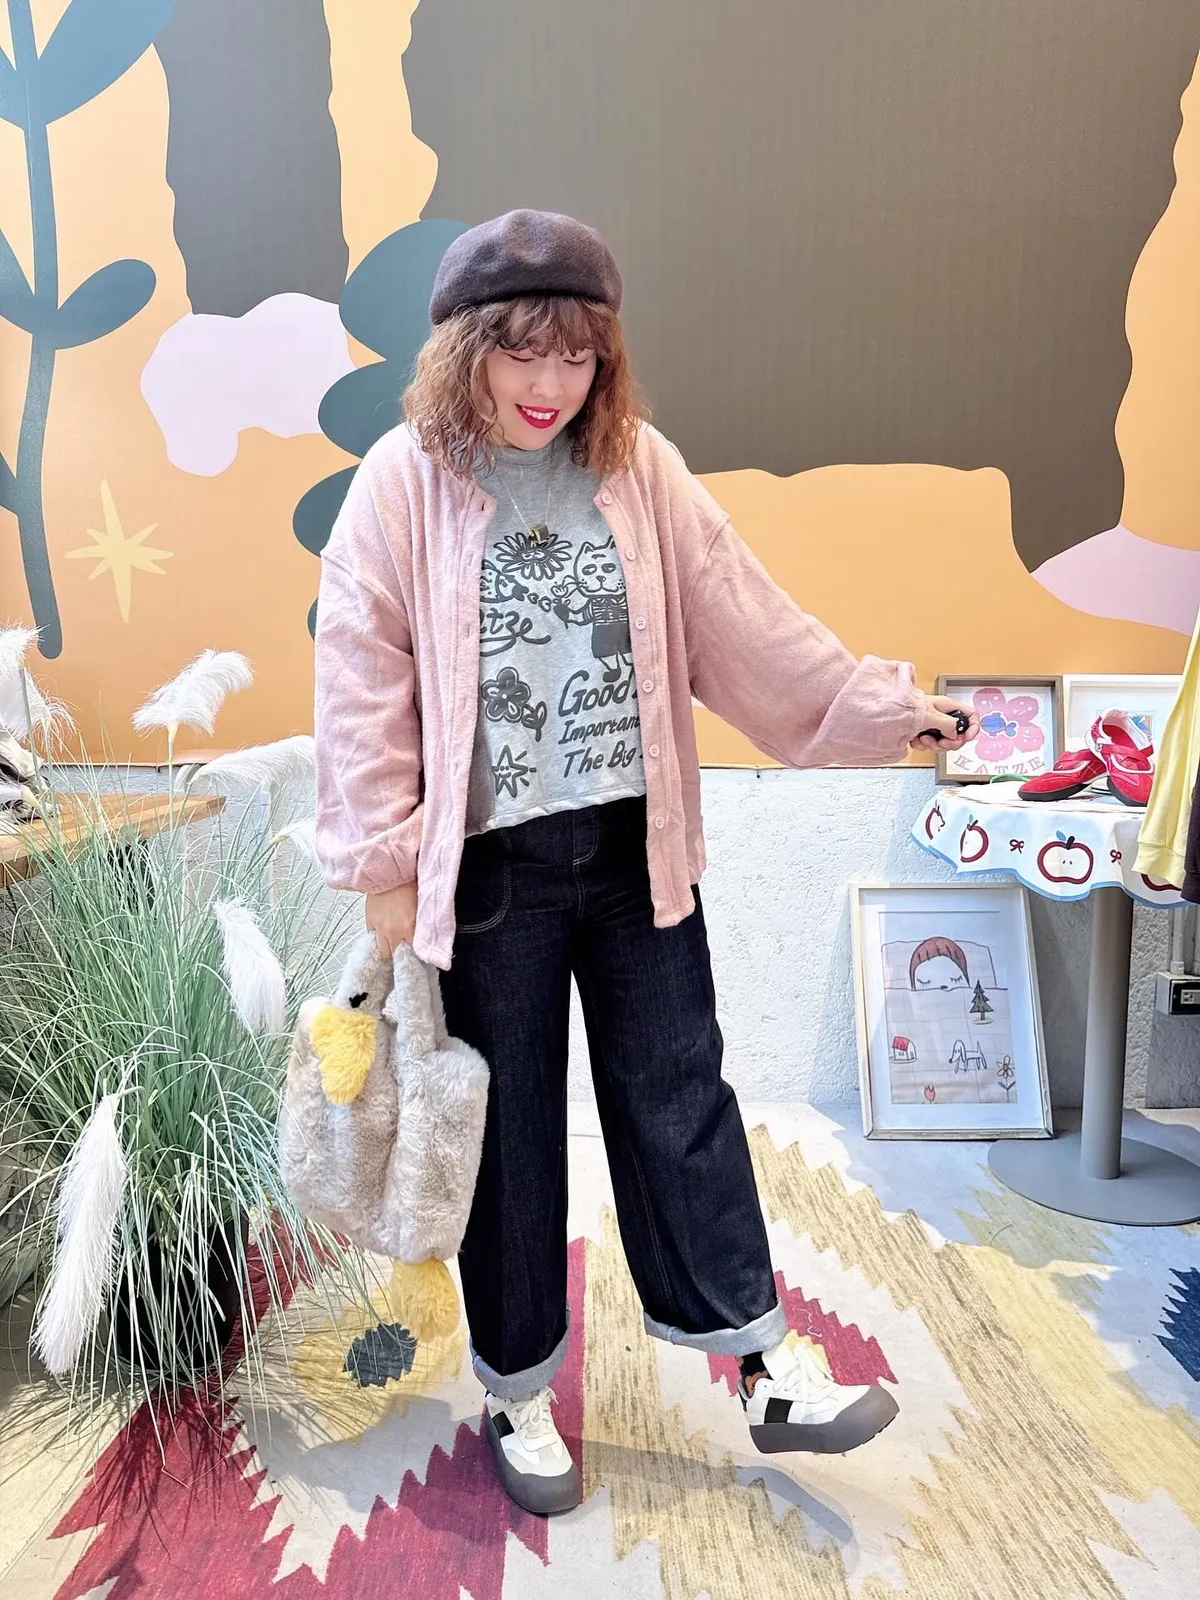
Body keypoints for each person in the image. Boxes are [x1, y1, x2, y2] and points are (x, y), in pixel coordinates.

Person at [313, 210, 979, 1516]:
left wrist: (880, 710)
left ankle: (763, 1365)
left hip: (635, 852)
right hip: (489, 872)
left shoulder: (639, 469)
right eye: (522, 352)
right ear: (465, 351)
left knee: (682, 1098)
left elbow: (746, 619)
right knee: (508, 1133)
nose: (550, 383)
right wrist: (388, 861)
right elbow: (360, 669)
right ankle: (517, 1391)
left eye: (576, 354)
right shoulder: (403, 480)